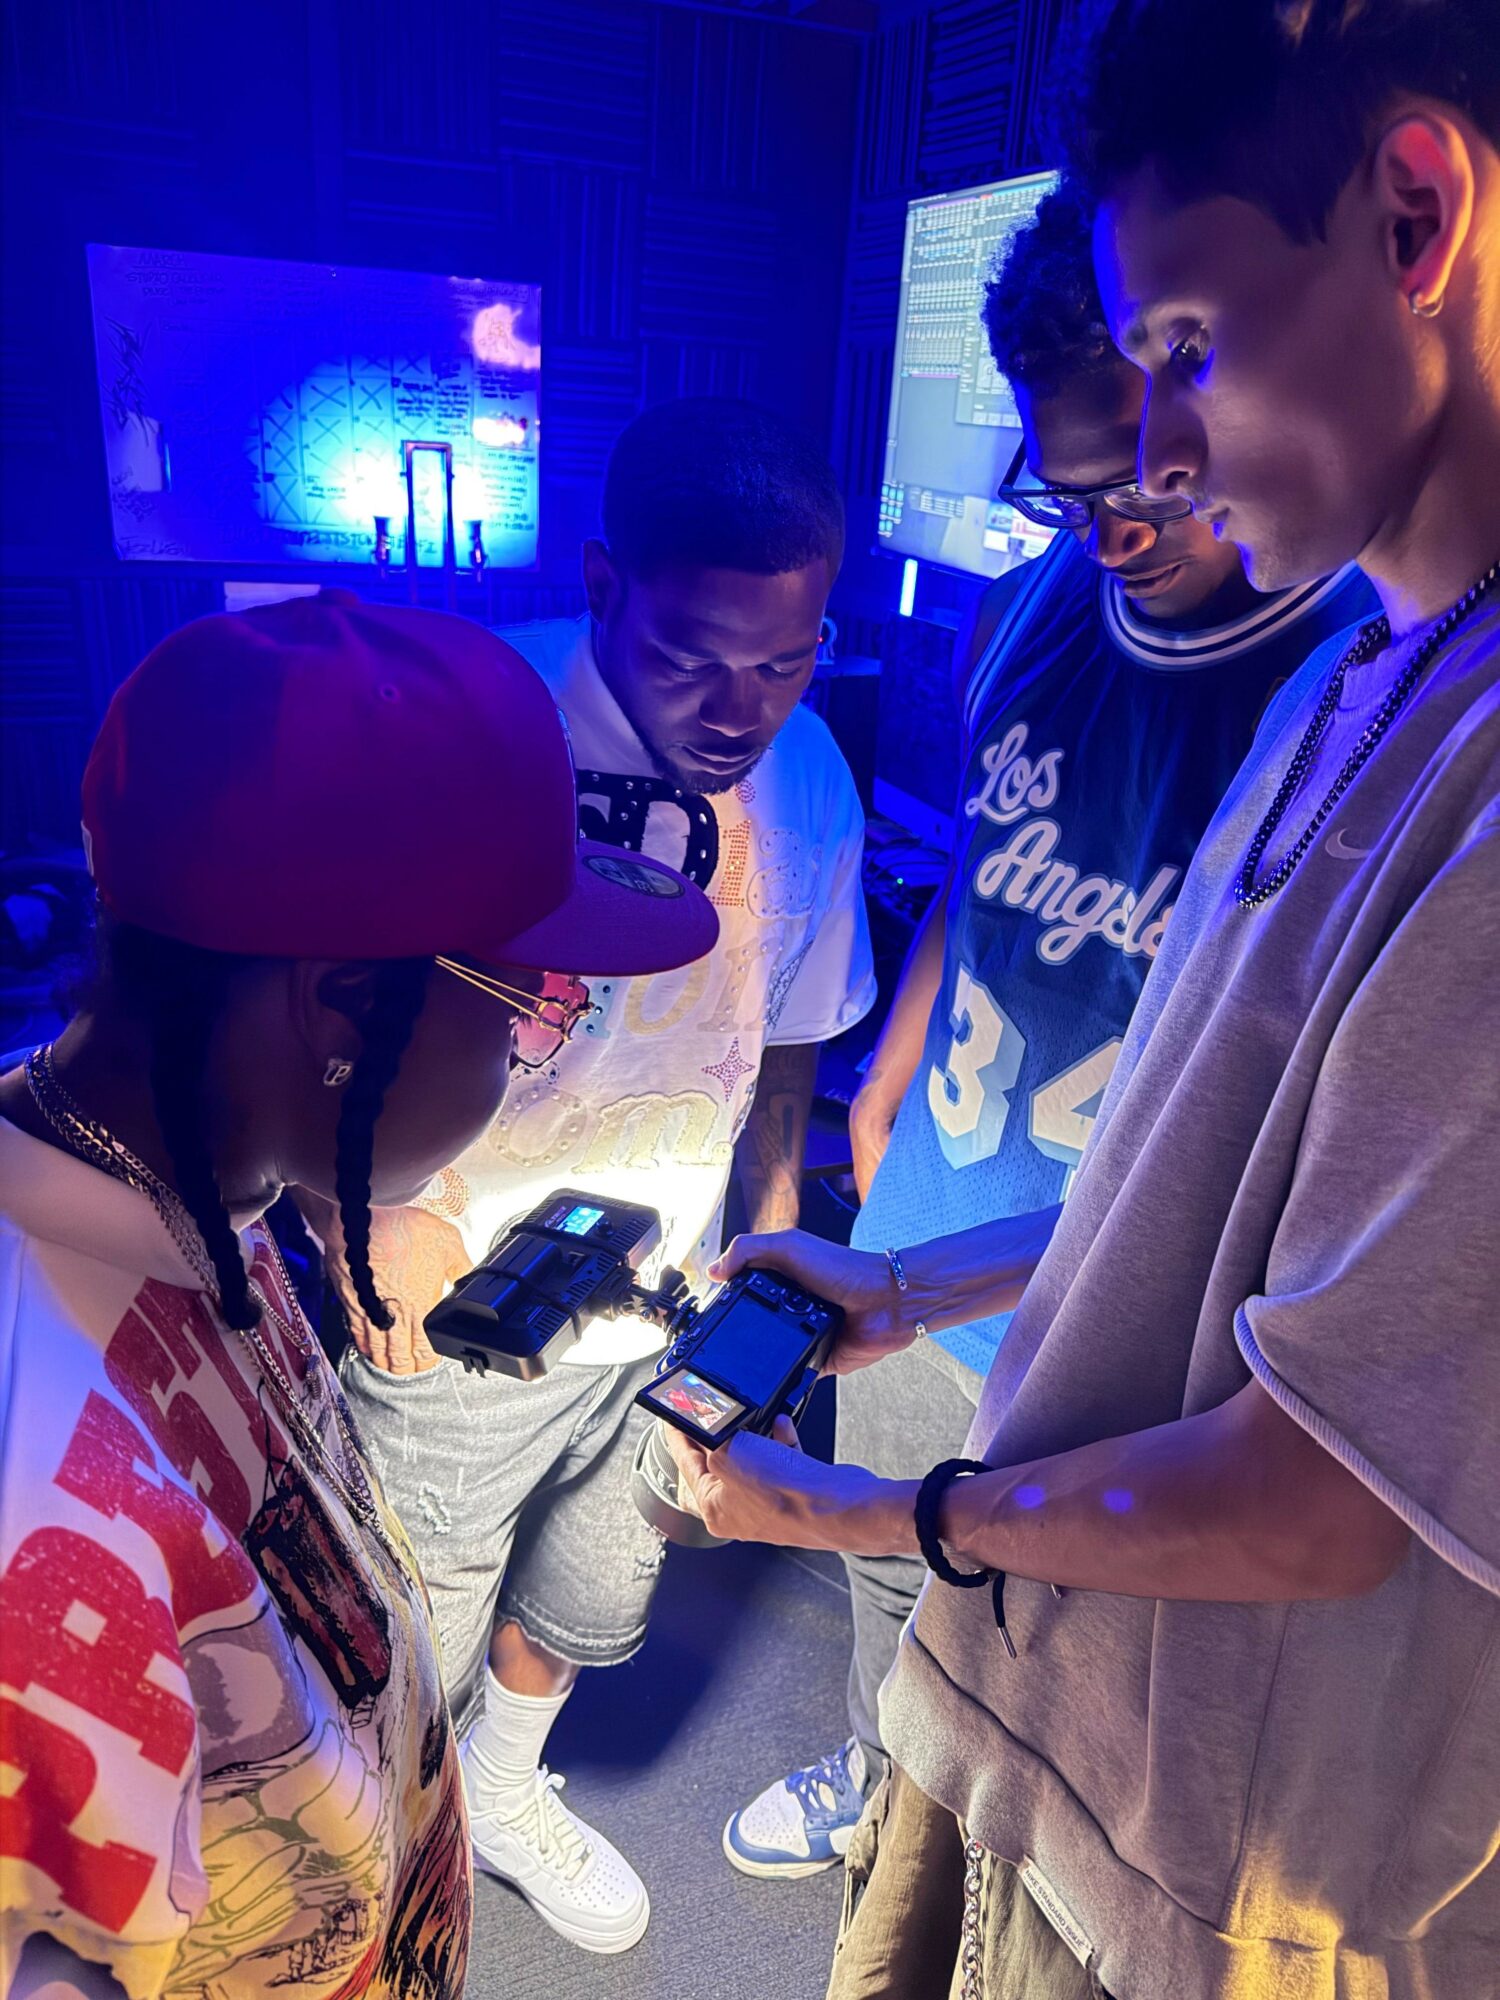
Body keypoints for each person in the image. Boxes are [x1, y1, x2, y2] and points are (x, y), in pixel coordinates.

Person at [669, 2, 1500, 1993]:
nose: (1162, 458)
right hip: (1048, 1726)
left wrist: (878, 1513)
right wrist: (928, 1282)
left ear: (1414, 215)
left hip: (1218, 1870)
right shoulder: (1361, 672)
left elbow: (1314, 1500)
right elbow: (1209, 1207)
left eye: (1186, 356)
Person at [725, 180, 1375, 1880]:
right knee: (881, 1574)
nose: (1104, 531)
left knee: (1052, 1659)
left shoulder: (1352, 686)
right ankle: (875, 1778)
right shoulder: (1042, 604)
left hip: (1126, 1303)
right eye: (1062, 487)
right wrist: (881, 1087)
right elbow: (977, 876)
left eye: (1141, 485)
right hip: (930, 1223)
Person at [0, 591, 715, 1999]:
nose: (531, 1050)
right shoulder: (36, 1513)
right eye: (525, 1007)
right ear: (340, 1007)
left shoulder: (203, 1181)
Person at [325, 398, 876, 1954]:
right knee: (411, 1617)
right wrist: (368, 1209)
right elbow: (301, 992)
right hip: (456, 1283)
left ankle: (502, 1790)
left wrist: (770, 1236)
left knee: (592, 1583)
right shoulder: (458, 724)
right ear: (603, 580)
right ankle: (385, 1856)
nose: (737, 710)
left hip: (666, 1290)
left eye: (781, 663)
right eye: (694, 656)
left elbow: (787, 1042)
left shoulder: (812, 777)